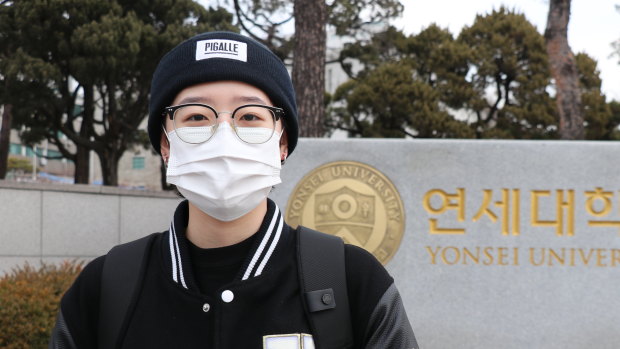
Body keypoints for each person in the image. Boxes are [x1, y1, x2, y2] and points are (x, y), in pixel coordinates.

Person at [49, 31, 418, 349]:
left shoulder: (354, 282)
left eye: (250, 116)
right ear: (165, 143)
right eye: (196, 116)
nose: (224, 136)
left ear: (282, 142)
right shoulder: (105, 288)